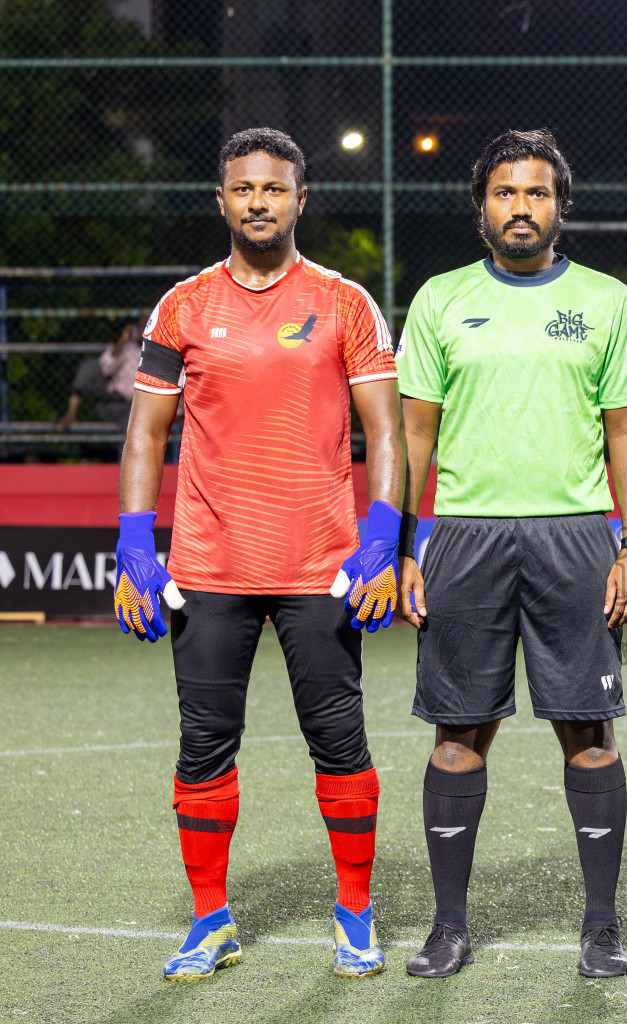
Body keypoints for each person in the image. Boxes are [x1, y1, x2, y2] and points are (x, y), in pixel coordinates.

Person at [114, 127, 405, 981]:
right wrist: (137, 546)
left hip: (322, 568)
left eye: (274, 189)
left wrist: (382, 535)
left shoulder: (346, 302)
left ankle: (354, 908)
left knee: (339, 743)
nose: (258, 202)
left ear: (300, 199)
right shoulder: (181, 307)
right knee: (204, 746)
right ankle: (211, 920)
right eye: (243, 188)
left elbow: (385, 429)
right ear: (222, 200)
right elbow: (146, 434)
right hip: (207, 569)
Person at [393, 128, 627, 981]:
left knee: (589, 726)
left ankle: (603, 926)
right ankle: (448, 925)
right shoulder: (438, 300)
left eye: (537, 193)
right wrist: (401, 548)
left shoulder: (607, 301)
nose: (521, 207)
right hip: (465, 534)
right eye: (506, 193)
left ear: (560, 207)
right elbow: (412, 441)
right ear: (482, 209)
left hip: (576, 532)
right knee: (459, 730)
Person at [56, 317, 145, 430]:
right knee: (90, 366)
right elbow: (106, 367)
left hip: (132, 407)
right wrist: (122, 341)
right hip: (110, 396)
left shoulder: (161, 354)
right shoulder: (126, 347)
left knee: (131, 424)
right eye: (142, 325)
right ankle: (71, 413)